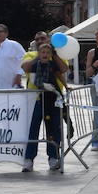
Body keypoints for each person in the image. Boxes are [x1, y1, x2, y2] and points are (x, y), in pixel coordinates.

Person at [20, 42, 67, 172]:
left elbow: (61, 72)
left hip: (52, 100)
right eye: (43, 52)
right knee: (33, 129)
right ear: (38, 53)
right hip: (37, 99)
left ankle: (53, 157)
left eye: (47, 53)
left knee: (52, 130)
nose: (45, 55)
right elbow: (28, 72)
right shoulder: (34, 63)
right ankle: (29, 159)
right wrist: (37, 58)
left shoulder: (53, 63)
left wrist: (66, 86)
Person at [0, 23, 24, 90]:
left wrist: (19, 75)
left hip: (12, 87)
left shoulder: (14, 45)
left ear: (6, 33)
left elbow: (25, 60)